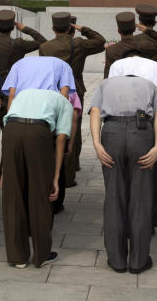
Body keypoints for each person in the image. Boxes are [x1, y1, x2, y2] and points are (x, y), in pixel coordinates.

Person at [89, 75, 157, 273]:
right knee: (141, 197)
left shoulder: (106, 84)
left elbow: (95, 112)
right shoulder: (150, 84)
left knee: (114, 196)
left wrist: (97, 144)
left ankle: (116, 260)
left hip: (112, 133)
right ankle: (138, 261)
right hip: (141, 133)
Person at [1, 88, 73, 268]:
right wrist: (55, 178)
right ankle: (42, 254)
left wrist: (5, 171)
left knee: (13, 196)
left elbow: (7, 122)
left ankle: (18, 257)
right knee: (40, 195)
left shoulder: (23, 93)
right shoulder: (64, 102)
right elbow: (61, 139)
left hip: (11, 130)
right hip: (38, 133)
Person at [39, 11, 105, 187]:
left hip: (52, 91)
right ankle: (70, 171)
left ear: (53, 28)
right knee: (72, 129)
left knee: (54, 128)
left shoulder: (45, 47)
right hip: (74, 90)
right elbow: (100, 41)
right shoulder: (78, 44)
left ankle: (54, 165)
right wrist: (84, 29)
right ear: (71, 28)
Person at [0, 9, 47, 184]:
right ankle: (10, 172)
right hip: (14, 95)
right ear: (12, 26)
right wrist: (24, 28)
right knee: (11, 138)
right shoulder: (18, 44)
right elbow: (42, 42)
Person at [107, 53, 157, 228]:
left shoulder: (117, 65)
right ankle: (148, 222)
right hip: (150, 121)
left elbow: (110, 93)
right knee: (149, 171)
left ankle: (123, 220)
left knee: (121, 174)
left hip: (120, 120)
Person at [103, 12, 157, 77]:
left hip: (121, 85)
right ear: (134, 29)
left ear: (118, 31)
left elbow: (107, 77)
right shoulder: (146, 45)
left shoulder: (111, 50)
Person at [2, 55, 75, 105]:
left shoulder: (19, 63)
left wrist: (9, 120)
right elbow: (64, 94)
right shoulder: (63, 64)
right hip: (49, 107)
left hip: (22, 107)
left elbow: (12, 94)